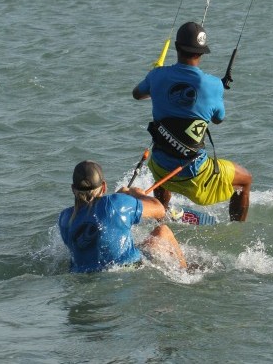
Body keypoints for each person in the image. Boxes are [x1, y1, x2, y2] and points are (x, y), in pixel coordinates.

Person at [132, 21, 252, 221]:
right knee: (245, 180)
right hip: (195, 175)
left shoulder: (157, 75)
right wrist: (216, 93)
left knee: (163, 155)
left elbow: (137, 94)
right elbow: (218, 119)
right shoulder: (214, 85)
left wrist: (154, 75)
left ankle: (160, 215)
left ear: (177, 47)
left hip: (161, 166)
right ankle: (238, 231)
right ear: (202, 53)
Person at [58, 160, 187, 273]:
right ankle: (186, 272)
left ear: (73, 189)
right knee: (163, 231)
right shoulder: (116, 204)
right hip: (128, 268)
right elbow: (159, 210)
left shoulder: (64, 218)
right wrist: (136, 194)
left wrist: (119, 199)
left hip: (84, 273)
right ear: (103, 186)